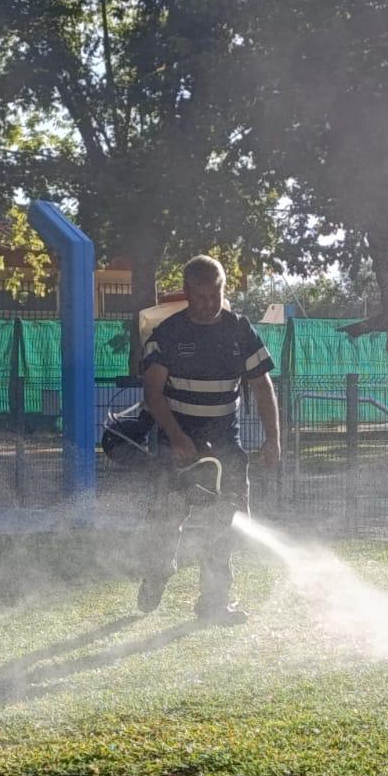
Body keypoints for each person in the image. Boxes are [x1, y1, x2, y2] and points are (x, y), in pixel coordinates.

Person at [137, 254, 281, 624]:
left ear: (223, 290)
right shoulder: (168, 334)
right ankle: (157, 574)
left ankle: (214, 603)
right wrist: (177, 437)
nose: (208, 304)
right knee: (166, 519)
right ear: (187, 293)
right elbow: (153, 393)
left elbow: (262, 387)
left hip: (226, 448)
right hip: (177, 446)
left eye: (215, 295)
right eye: (200, 297)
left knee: (225, 527)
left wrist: (273, 438)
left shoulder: (240, 330)